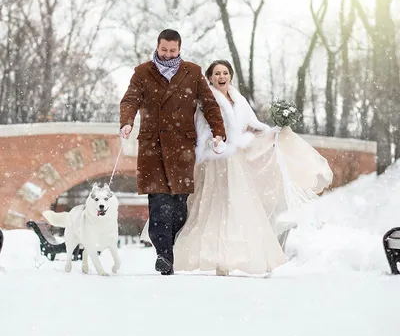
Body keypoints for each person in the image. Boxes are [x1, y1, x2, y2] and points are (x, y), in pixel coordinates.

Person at [172, 60, 333, 276]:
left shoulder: (240, 100)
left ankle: (233, 257)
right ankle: (217, 258)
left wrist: (274, 129)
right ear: (210, 77)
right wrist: (213, 142)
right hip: (215, 160)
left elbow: (253, 126)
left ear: (230, 76)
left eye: (225, 73)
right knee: (216, 205)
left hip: (235, 161)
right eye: (217, 73)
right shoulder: (206, 99)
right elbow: (201, 127)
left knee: (237, 205)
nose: (222, 77)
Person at [119, 30, 226, 275]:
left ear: (179, 49)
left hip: (182, 148)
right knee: (158, 205)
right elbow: (130, 99)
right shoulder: (143, 72)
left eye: (172, 50)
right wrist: (127, 121)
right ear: (157, 46)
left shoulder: (192, 72)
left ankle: (175, 250)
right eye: (164, 49)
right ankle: (163, 255)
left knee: (179, 208)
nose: (168, 55)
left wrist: (218, 131)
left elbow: (209, 104)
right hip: (152, 147)